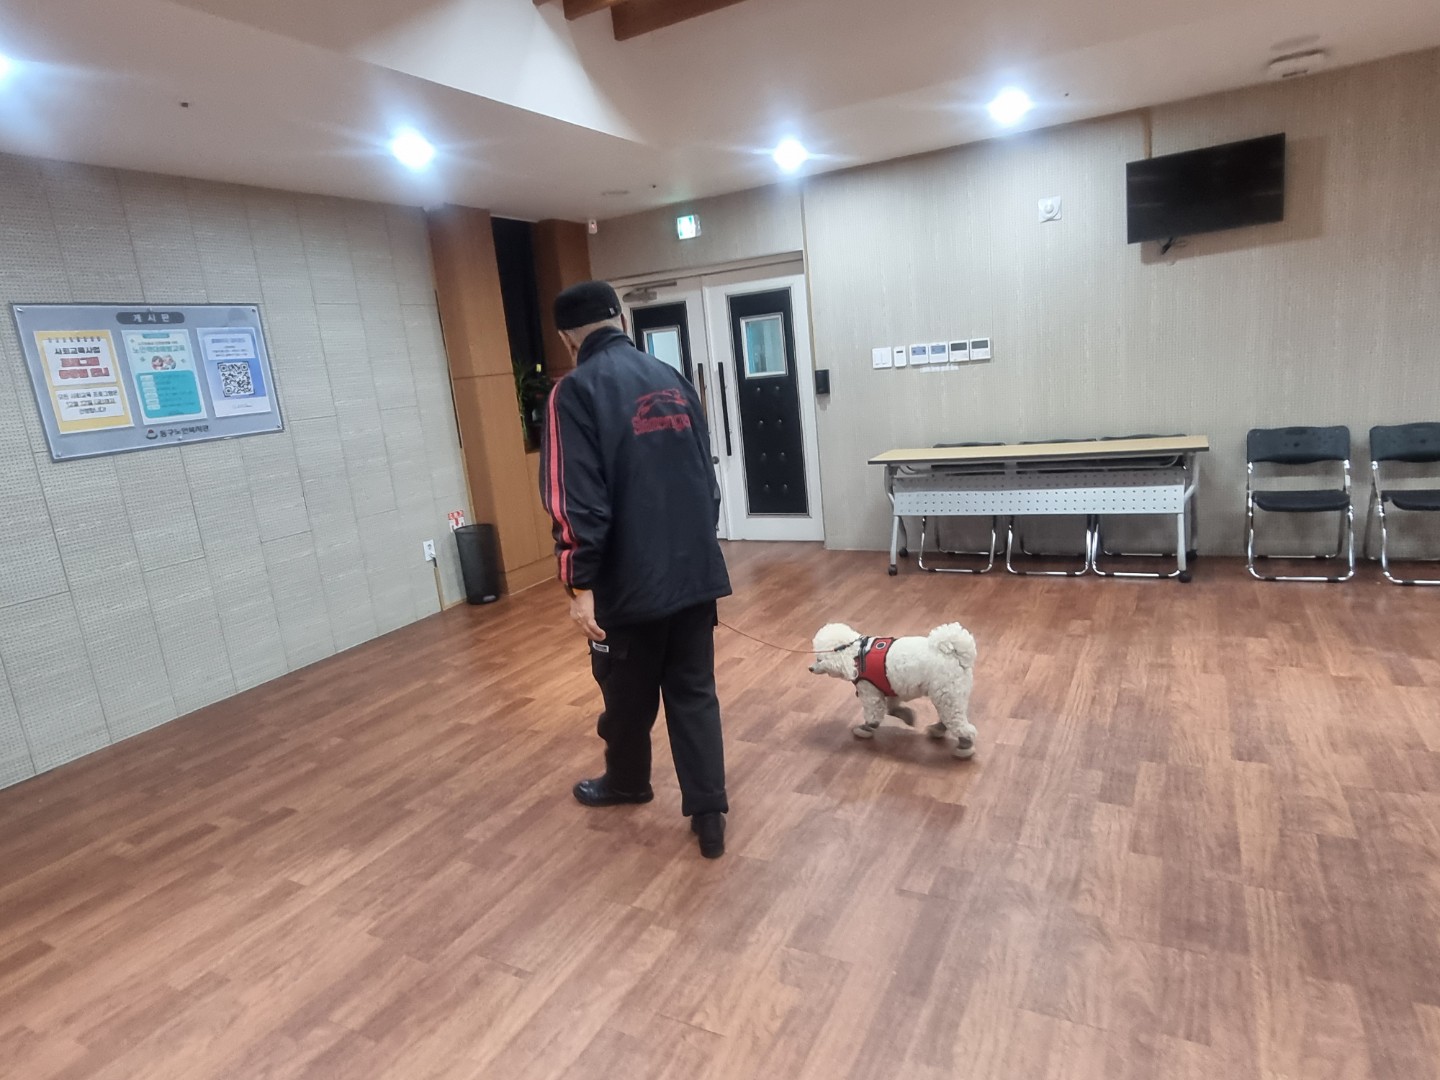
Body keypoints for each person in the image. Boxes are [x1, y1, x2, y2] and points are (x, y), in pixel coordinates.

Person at [538, 281, 732, 859]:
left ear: (567, 338)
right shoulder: (672, 379)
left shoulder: (574, 391)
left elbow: (575, 499)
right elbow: (707, 479)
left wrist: (579, 582)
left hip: (629, 583)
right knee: (694, 692)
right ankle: (710, 814)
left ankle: (627, 782)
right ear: (620, 320)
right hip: (695, 573)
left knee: (625, 693)